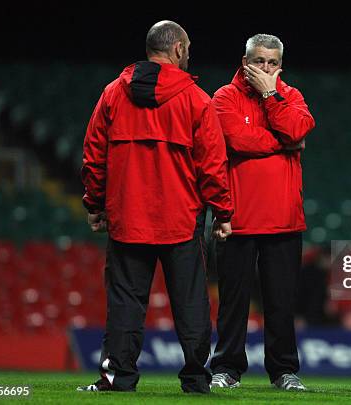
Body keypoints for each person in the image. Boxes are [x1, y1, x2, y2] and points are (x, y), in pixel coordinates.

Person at [77, 20, 233, 394]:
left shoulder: (114, 93)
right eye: (188, 48)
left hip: (127, 216)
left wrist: (95, 203)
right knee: (192, 303)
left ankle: (118, 379)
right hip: (181, 221)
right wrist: (223, 212)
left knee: (125, 302)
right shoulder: (197, 99)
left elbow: (93, 156)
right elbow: (212, 163)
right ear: (178, 49)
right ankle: (197, 380)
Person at [208, 34, 315, 391]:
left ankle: (284, 371)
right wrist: (284, 142)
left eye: (272, 63)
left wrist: (271, 96)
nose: (265, 69)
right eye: (259, 62)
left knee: (281, 302)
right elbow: (236, 140)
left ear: (280, 64)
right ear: (245, 61)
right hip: (236, 217)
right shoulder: (224, 97)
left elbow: (298, 128)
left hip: (284, 218)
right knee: (233, 302)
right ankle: (227, 367)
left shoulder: (292, 96)